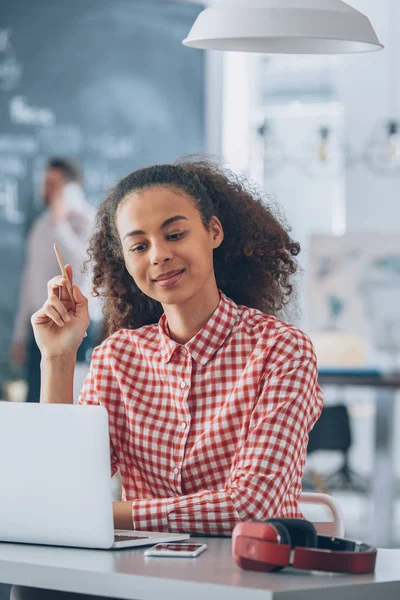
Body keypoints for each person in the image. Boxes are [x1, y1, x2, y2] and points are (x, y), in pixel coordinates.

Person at [12, 157, 323, 599]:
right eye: (138, 246)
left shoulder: (280, 350)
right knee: (32, 587)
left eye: (175, 234)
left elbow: (254, 506)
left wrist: (110, 513)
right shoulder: (117, 357)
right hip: (135, 580)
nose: (158, 255)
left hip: (246, 579)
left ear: (213, 232)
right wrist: (58, 358)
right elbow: (59, 496)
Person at [11, 158, 96, 402]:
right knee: (34, 399)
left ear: (71, 188)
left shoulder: (88, 220)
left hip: (75, 323)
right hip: (39, 325)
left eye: (53, 184)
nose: (46, 190)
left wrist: (61, 224)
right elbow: (30, 281)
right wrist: (20, 334)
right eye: (45, 183)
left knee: (70, 398)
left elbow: (83, 267)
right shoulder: (40, 226)